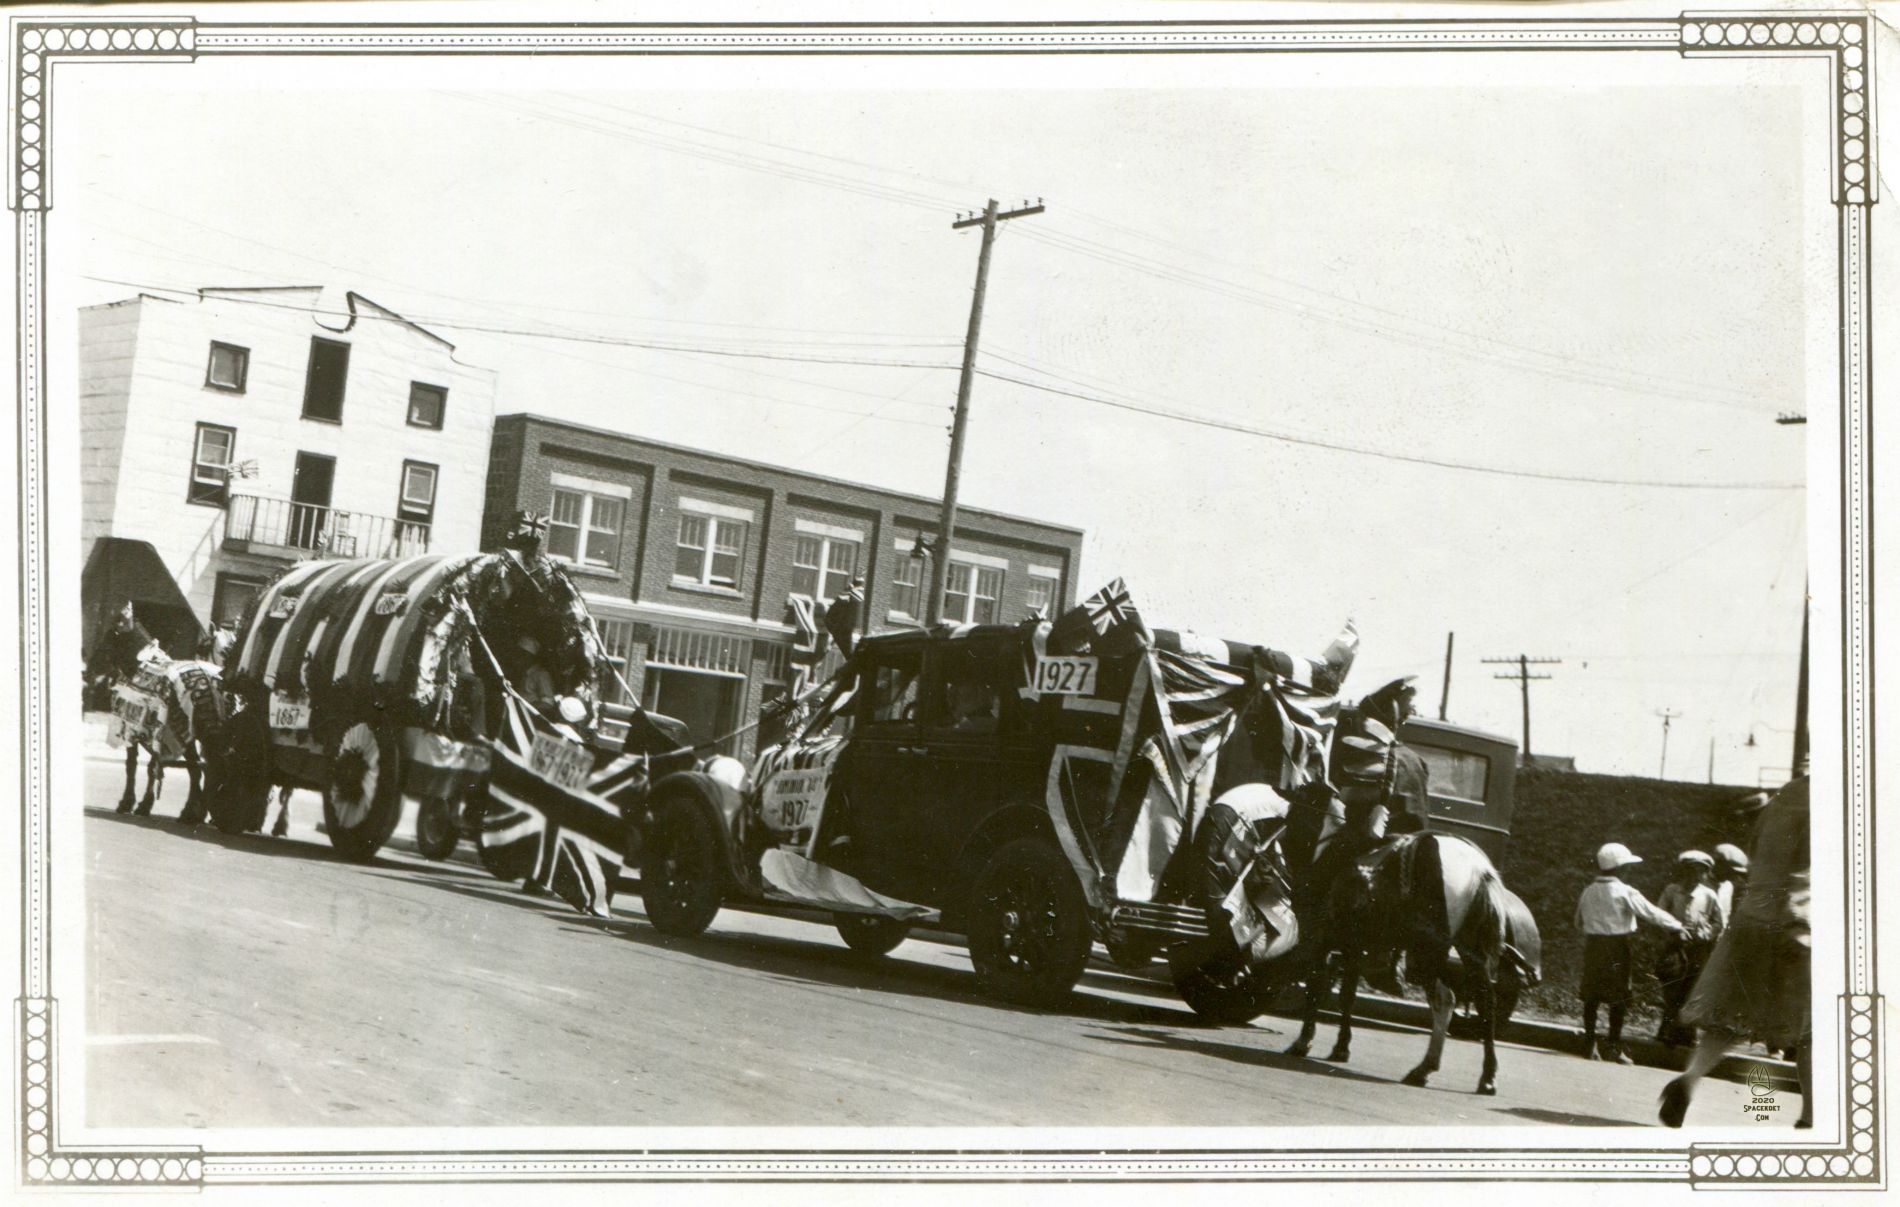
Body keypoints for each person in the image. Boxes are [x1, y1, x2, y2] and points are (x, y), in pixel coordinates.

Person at [1661, 777, 1812, 1129]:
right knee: (1812, 1028)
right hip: (1797, 921)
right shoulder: (1836, 798)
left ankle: (1690, 1078)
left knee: (1728, 1015)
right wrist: (1799, 919)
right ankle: (1810, 1118)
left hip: (1752, 918)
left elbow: (1759, 854)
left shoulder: (1783, 797)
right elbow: (1809, 870)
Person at [1575, 842, 1687, 1063]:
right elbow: (1650, 912)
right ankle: (1614, 1047)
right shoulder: (1625, 892)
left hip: (1593, 947)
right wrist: (1676, 925)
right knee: (1618, 998)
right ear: (1620, 868)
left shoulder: (1588, 891)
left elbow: (1578, 921)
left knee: (1592, 996)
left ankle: (1589, 1044)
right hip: (1617, 948)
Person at [1654, 850, 1724, 1046]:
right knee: (1672, 988)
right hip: (1674, 946)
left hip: (1698, 949)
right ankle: (1666, 1030)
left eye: (1701, 872)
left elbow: (1719, 922)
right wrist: (1673, 932)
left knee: (1692, 990)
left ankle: (1687, 1033)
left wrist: (1707, 933)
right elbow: (1659, 915)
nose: (1695, 876)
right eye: (1691, 871)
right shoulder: (1671, 891)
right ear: (1683, 871)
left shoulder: (1709, 895)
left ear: (1705, 874)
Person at [1713, 841, 1751, 927]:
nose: (1733, 876)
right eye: (1730, 871)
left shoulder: (1728, 887)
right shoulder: (1700, 884)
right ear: (1719, 864)